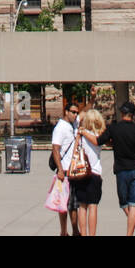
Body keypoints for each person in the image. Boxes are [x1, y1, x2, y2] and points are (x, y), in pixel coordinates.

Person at [98, 101, 135, 237]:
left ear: (122, 113)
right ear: (133, 115)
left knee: (124, 204)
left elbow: (100, 140)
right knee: (134, 204)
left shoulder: (114, 128)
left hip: (121, 170)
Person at [50, 101, 81, 237]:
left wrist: (92, 99)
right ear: (66, 112)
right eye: (73, 112)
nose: (75, 115)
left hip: (74, 171)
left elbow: (85, 111)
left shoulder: (73, 124)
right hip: (64, 171)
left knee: (73, 204)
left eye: (76, 112)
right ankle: (63, 231)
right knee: (63, 204)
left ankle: (75, 231)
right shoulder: (60, 128)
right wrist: (60, 170)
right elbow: (55, 149)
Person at [73, 110, 105, 237]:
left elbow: (75, 150)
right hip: (95, 172)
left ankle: (83, 234)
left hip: (81, 172)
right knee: (93, 206)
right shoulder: (99, 135)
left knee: (82, 206)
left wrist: (81, 132)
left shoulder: (79, 133)